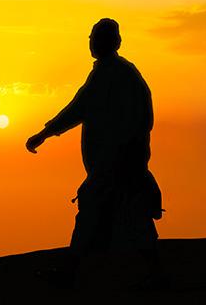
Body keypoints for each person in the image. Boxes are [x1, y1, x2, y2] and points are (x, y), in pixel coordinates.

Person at [26, 18, 163, 288]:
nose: (92, 42)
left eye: (96, 38)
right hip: (123, 163)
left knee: (94, 214)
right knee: (129, 219)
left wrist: (43, 135)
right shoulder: (123, 72)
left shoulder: (111, 73)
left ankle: (71, 274)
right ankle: (151, 273)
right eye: (92, 38)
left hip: (116, 165)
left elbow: (78, 108)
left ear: (111, 42)